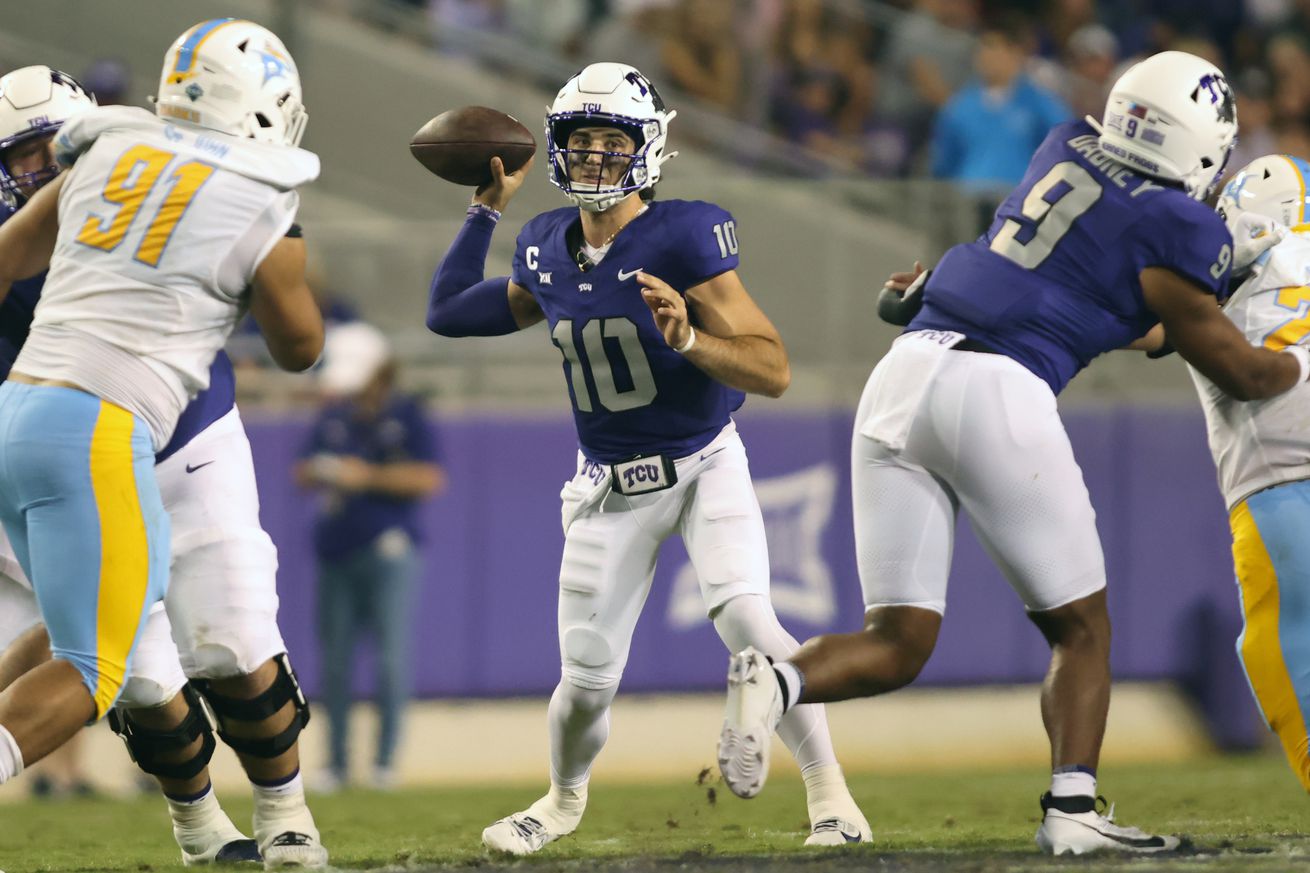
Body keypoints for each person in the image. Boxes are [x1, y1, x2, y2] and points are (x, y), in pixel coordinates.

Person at [717, 50, 1310, 856]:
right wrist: (1297, 353)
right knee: (1082, 630)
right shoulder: (1180, 224)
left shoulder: (1063, 144)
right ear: (1202, 143)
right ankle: (1072, 810)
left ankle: (777, 679)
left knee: (897, 639)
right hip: (996, 390)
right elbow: (1243, 370)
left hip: (904, 376)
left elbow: (1071, 279)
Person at [427, 62, 870, 854]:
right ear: (558, 147)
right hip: (607, 489)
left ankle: (833, 798)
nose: (596, 156)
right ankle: (562, 802)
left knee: (745, 613)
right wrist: (483, 211)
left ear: (648, 149)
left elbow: (772, 368)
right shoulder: (544, 248)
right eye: (582, 139)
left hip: (704, 461)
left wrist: (693, 339)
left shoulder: (684, 234)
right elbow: (448, 313)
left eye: (612, 139)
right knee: (586, 683)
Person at [0, 21, 328, 869]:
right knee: (127, 672)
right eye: (18, 157)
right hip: (97, 437)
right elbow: (301, 346)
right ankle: (201, 831)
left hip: (165, 439)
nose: (37, 170)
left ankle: (285, 814)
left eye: (46, 150)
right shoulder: (216, 188)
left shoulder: (104, 162)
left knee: (232, 635)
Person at [1173, 154, 1310, 795]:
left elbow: (1252, 376)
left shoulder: (1220, 279)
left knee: (1282, 651)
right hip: (1279, 483)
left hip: (1281, 484)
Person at [295, 321, 445, 791]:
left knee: (390, 659)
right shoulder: (334, 416)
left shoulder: (407, 414)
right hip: (337, 547)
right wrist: (327, 472)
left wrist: (368, 477)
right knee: (335, 663)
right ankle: (336, 764)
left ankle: (384, 763)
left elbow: (429, 479)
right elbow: (301, 470)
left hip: (389, 549)